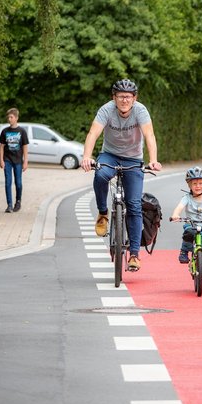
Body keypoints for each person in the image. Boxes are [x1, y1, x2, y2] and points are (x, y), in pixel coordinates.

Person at [80, 79, 162, 273]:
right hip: (110, 155)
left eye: (128, 97)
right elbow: (93, 133)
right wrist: (86, 157)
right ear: (114, 97)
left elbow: (149, 136)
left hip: (133, 158)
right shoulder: (106, 110)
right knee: (100, 175)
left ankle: (134, 254)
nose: (124, 100)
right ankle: (103, 213)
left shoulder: (140, 111)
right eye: (120, 96)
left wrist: (153, 160)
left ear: (134, 98)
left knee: (134, 205)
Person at [0, 108, 29, 213]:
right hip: (7, 160)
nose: (9, 119)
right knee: (8, 182)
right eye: (8, 117)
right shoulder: (5, 131)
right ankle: (9, 205)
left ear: (16, 118)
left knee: (18, 183)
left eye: (11, 117)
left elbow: (25, 147)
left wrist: (25, 161)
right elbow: (1, 147)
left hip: (18, 161)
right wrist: (1, 160)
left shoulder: (22, 131)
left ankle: (18, 202)